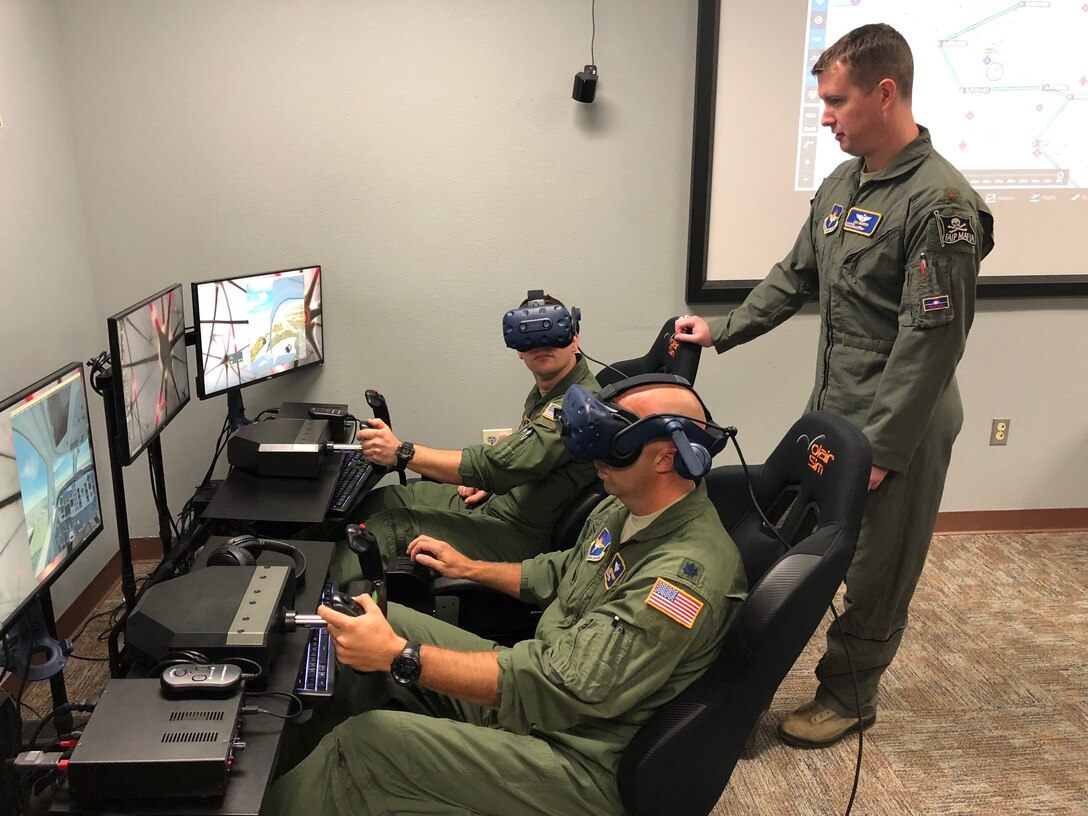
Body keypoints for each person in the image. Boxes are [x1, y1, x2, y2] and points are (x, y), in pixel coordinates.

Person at [675, 23, 994, 748]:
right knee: (791, 537)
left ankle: (849, 695)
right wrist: (721, 330)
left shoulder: (940, 203)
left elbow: (930, 340)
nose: (825, 117)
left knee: (877, 567)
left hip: (901, 421)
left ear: (885, 94)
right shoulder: (842, 184)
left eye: (836, 101)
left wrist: (883, 447)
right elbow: (796, 276)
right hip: (835, 408)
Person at [263, 380, 747, 816]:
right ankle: (273, 775)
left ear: (665, 458)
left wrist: (403, 658)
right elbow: (563, 569)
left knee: (365, 747)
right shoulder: (625, 506)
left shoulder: (683, 579)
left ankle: (326, 784)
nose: (596, 458)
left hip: (581, 755)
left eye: (615, 446)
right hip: (545, 677)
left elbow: (563, 688)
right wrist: (470, 567)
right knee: (373, 617)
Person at [334, 292, 601, 582]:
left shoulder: (576, 406)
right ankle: (294, 554)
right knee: (386, 498)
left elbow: (498, 466)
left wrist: (402, 452)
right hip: (498, 504)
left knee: (392, 527)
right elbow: (523, 462)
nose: (542, 345)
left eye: (553, 332)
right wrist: (498, 485)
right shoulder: (548, 391)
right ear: (518, 348)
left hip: (520, 535)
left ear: (574, 337)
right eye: (530, 336)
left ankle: (320, 603)